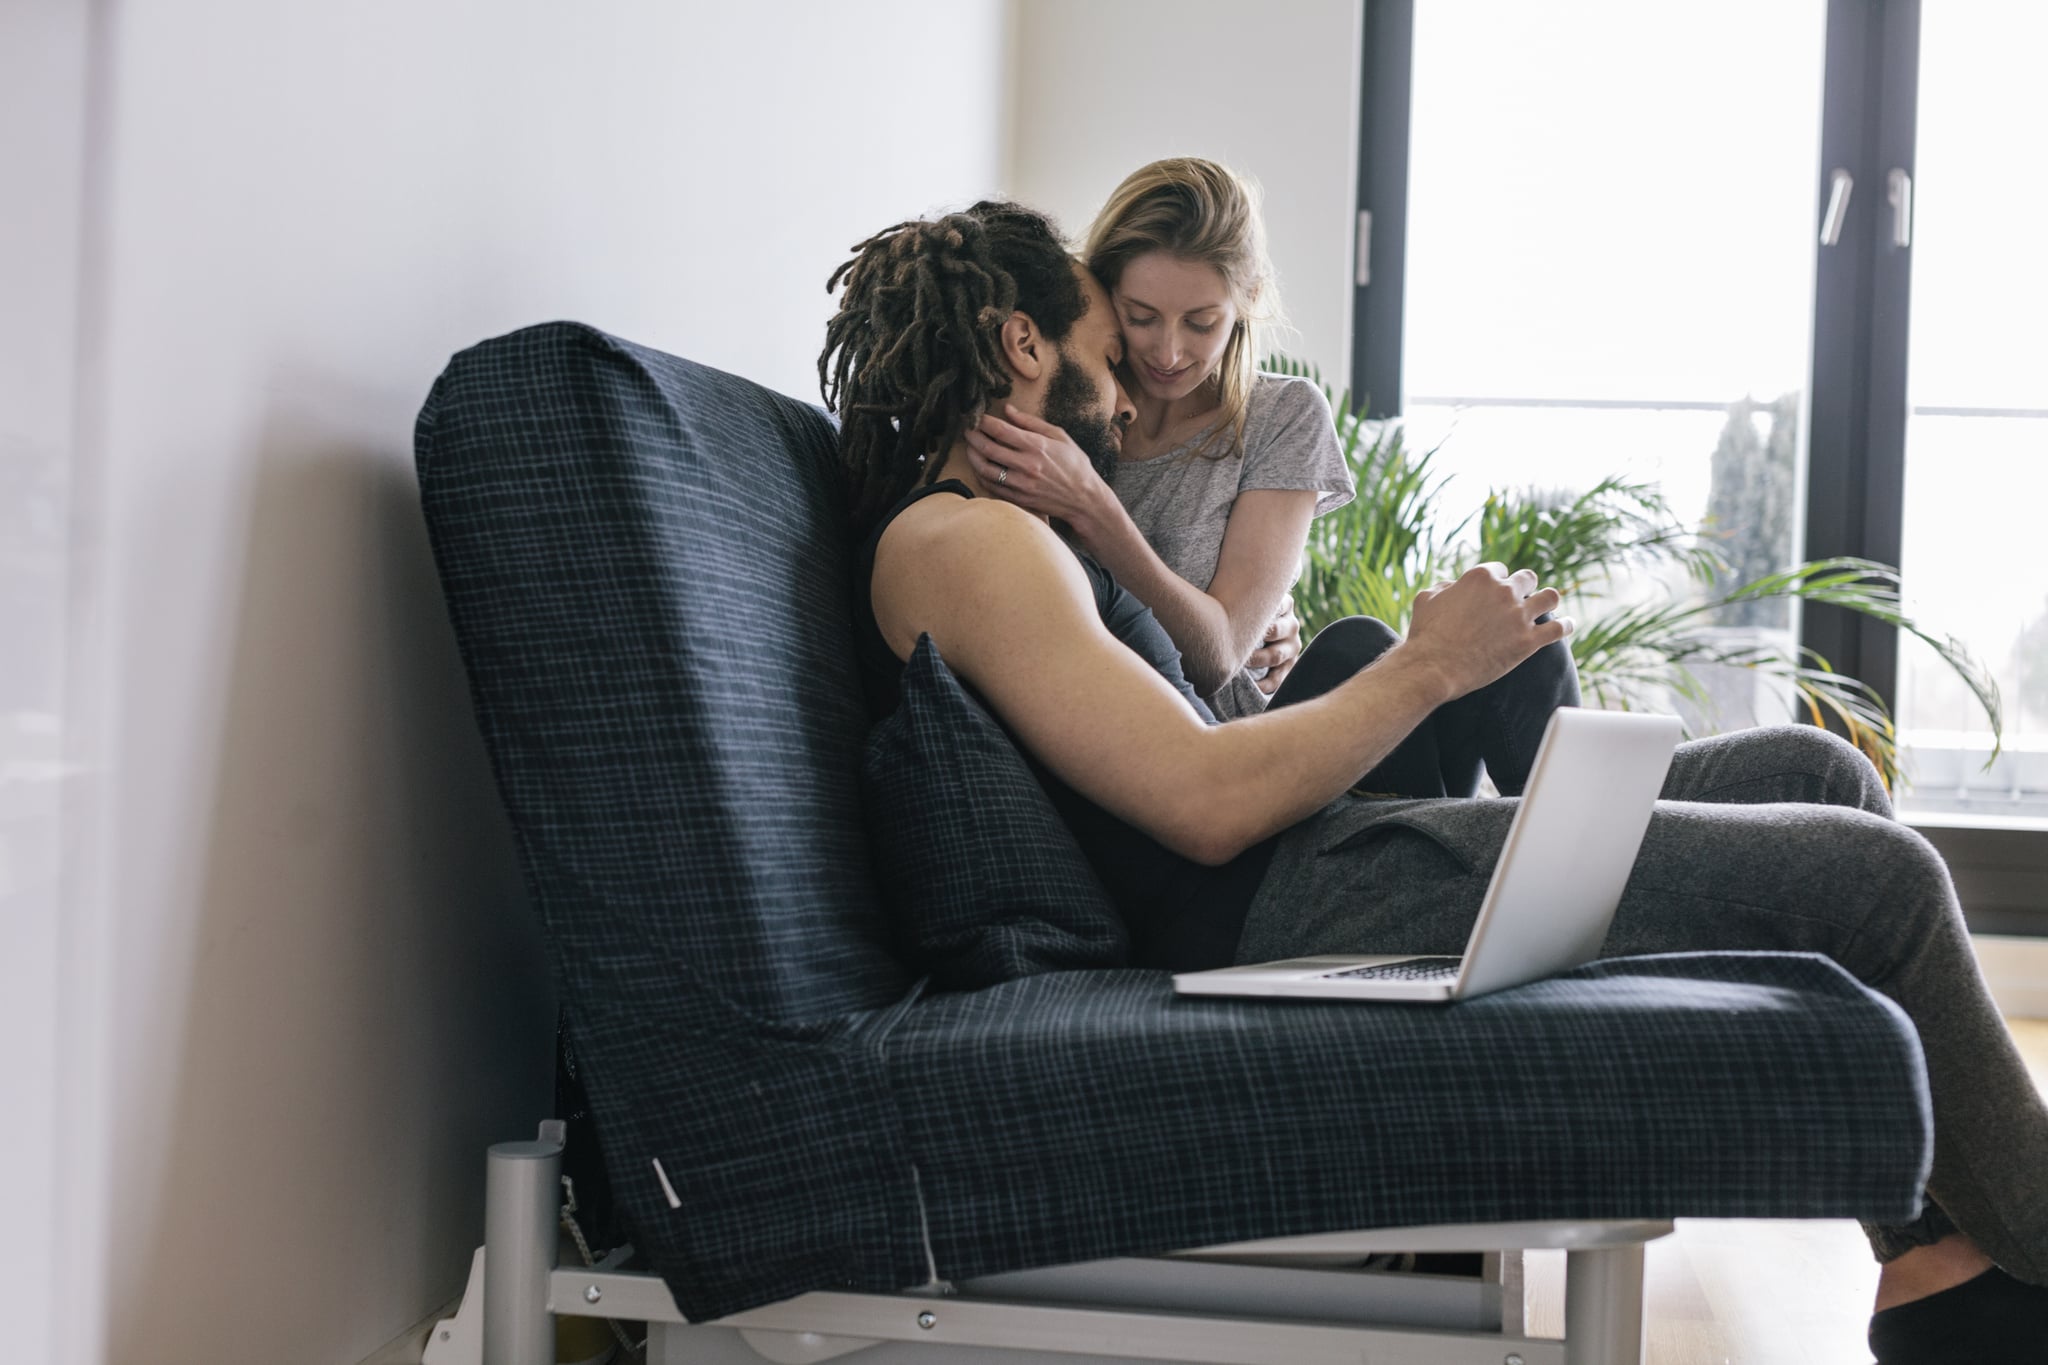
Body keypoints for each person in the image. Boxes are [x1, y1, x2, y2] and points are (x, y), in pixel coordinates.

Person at [821, 198, 2048, 1364]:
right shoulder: (961, 541)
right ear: (1023, 343)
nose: (1127, 384)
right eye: (1106, 338)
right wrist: (1426, 668)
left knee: (1811, 768)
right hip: (1278, 904)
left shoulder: (1006, 531)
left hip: (1306, 858)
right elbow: (1200, 805)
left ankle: (1936, 1270)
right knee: (1872, 882)